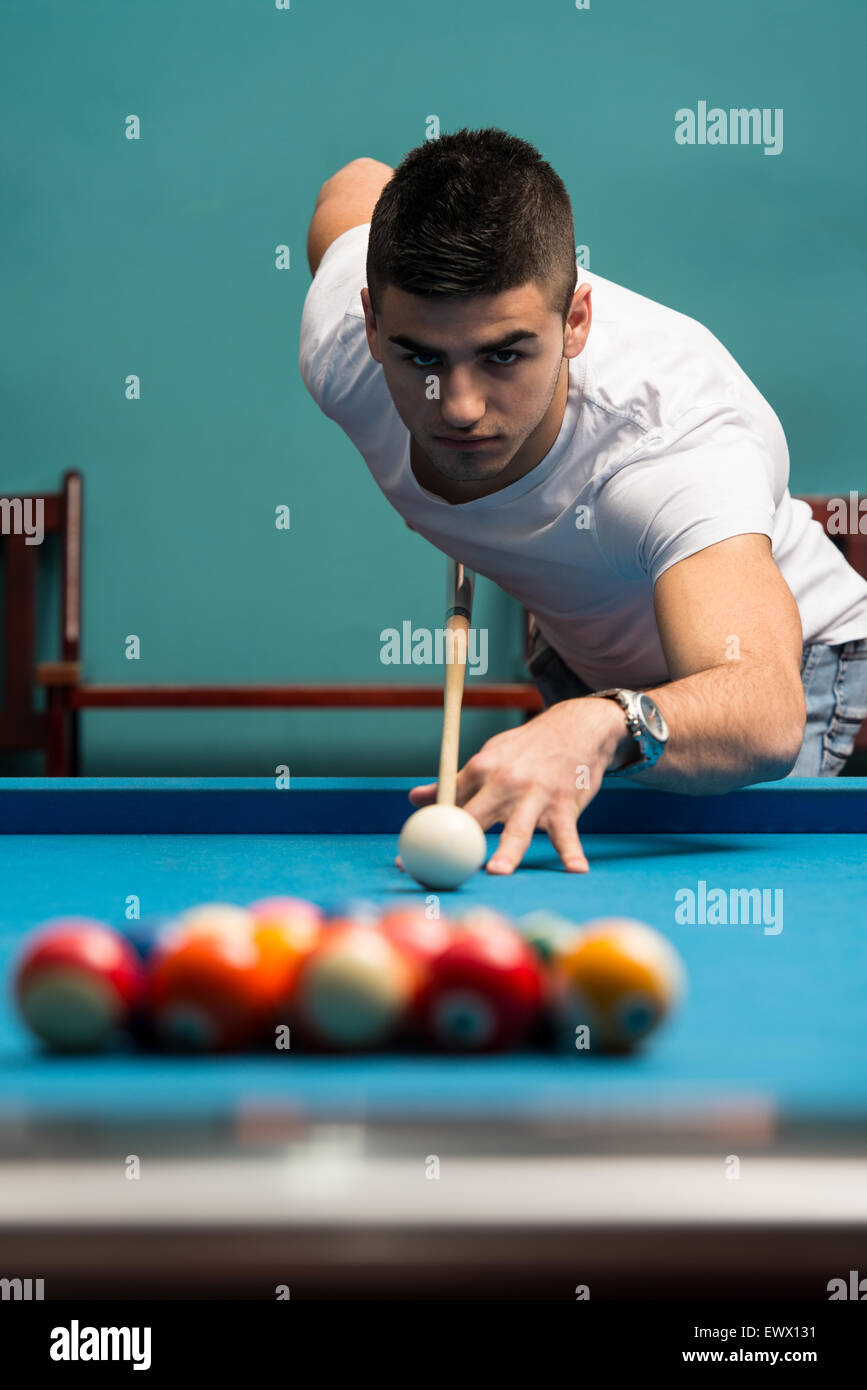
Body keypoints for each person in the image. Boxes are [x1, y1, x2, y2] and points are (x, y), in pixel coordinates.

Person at [299, 128, 867, 875]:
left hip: (781, 666)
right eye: (423, 358)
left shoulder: (669, 447)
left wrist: (601, 723)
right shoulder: (340, 349)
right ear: (371, 322)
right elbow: (354, 183)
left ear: (574, 323)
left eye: (503, 354)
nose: (460, 406)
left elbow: (764, 713)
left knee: (706, 896)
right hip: (584, 650)